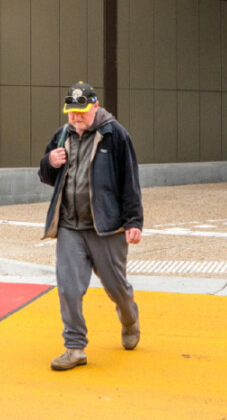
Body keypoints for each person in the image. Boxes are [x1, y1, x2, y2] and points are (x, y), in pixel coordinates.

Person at [36, 82, 143, 371]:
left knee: (116, 288)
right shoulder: (62, 135)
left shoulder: (115, 134)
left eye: (81, 111)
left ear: (95, 106)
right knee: (68, 288)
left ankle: (129, 318)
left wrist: (134, 221)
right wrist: (50, 162)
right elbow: (45, 176)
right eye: (71, 112)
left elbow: (130, 180)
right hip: (70, 226)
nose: (75, 117)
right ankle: (75, 347)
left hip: (106, 228)